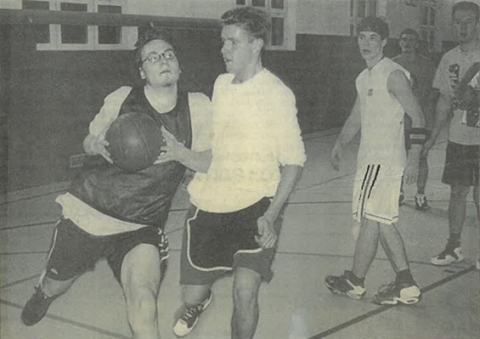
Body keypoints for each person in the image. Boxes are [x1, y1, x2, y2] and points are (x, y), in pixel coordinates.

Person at [20, 28, 213, 339]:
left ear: (178, 66)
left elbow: (211, 162)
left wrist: (181, 153)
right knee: (57, 283)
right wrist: (95, 145)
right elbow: (88, 142)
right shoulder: (122, 97)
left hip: (141, 223)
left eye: (168, 54)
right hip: (90, 210)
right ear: (142, 71)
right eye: (153, 57)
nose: (162, 60)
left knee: (144, 305)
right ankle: (44, 292)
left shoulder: (199, 105)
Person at [156, 7, 305, 339]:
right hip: (212, 202)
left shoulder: (277, 95)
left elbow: (294, 162)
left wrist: (271, 213)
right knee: (191, 294)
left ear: (256, 45)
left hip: (257, 203)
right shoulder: (221, 85)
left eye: (233, 42)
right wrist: (182, 156)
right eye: (222, 42)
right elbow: (218, 154)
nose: (224, 50)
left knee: (245, 293)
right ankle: (199, 300)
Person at [325, 16, 425, 305]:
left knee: (377, 220)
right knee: (375, 220)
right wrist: (340, 143)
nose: (366, 43)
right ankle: (364, 281)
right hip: (370, 161)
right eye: (362, 37)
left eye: (372, 38)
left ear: (384, 42)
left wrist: (416, 158)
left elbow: (418, 118)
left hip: (384, 162)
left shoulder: (393, 74)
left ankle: (388, 283)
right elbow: (357, 116)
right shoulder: (364, 77)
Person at [423, 1, 480, 267]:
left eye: (469, 21)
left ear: (478, 24)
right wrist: (433, 135)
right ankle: (453, 246)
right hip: (459, 138)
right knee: (457, 192)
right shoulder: (449, 58)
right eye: (458, 22)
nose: (463, 27)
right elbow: (445, 100)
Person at [393, 28, 438, 210]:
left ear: (417, 44)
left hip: (421, 121)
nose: (407, 43)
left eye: (411, 40)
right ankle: (399, 192)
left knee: (421, 157)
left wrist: (427, 103)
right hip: (400, 121)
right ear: (399, 42)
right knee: (398, 157)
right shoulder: (393, 64)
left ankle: (420, 194)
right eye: (404, 39)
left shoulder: (427, 65)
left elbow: (436, 89)